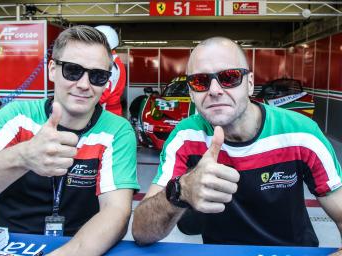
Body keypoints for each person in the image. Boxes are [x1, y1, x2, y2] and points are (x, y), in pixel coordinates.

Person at [132, 37, 342, 247]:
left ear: (250, 84)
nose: (214, 90)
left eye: (229, 77)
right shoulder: (186, 137)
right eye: (200, 81)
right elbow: (141, 232)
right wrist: (180, 190)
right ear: (191, 93)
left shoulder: (300, 134)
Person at [0, 25, 139, 255]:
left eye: (97, 76)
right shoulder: (18, 116)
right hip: (9, 242)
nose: (84, 84)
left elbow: (116, 212)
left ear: (106, 81)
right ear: (52, 69)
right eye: (73, 71)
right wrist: (24, 156)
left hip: (81, 244)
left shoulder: (118, 131)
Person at [95, 25, 127, 116]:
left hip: (107, 114)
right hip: (110, 112)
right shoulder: (114, 62)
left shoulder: (111, 66)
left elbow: (103, 95)